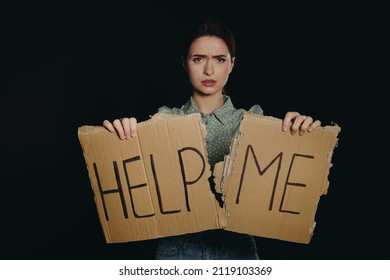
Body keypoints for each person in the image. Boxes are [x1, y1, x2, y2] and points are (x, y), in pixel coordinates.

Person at [103, 17, 321, 260]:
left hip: (237, 250)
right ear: (184, 63)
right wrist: (123, 136)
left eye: (219, 59)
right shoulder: (163, 121)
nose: (209, 70)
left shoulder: (254, 122)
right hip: (176, 249)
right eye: (198, 59)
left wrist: (300, 132)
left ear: (232, 64)